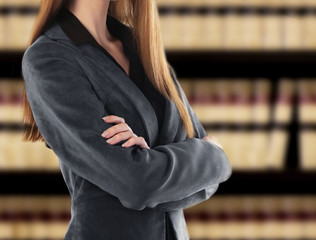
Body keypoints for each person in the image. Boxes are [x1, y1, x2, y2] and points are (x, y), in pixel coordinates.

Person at [20, 0, 232, 239]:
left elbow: (207, 175)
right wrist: (208, 155)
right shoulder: (48, 58)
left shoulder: (140, 47)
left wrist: (152, 166)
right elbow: (136, 183)